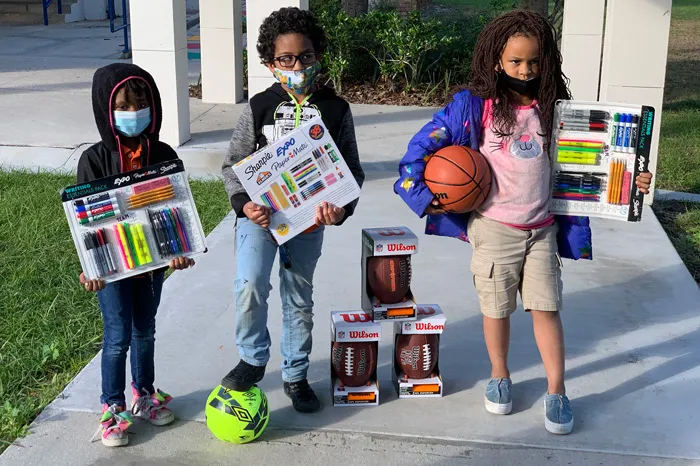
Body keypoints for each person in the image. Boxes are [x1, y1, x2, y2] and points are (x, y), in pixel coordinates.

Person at [394, 10, 653, 435]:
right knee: (497, 310)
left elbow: (603, 165)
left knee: (547, 309)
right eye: (515, 62)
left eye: (534, 61)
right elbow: (420, 150)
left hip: (543, 228)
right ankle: (500, 375)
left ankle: (557, 389)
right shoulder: (472, 108)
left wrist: (632, 180)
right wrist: (427, 199)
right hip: (493, 227)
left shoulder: (559, 110)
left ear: (545, 61)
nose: (525, 70)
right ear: (496, 60)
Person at [221, 7, 365, 413]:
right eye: (286, 59)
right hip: (260, 219)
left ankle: (296, 375)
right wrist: (243, 205)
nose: (297, 66)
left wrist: (341, 209)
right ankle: (252, 359)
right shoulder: (259, 106)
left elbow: (352, 171)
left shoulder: (336, 109)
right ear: (270, 63)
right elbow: (233, 163)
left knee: (298, 299)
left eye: (305, 56)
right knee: (249, 284)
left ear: (317, 56)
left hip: (307, 223)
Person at [78, 63, 194, 447]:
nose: (134, 111)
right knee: (117, 336)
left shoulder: (161, 152)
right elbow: (85, 224)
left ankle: (143, 394)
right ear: (105, 110)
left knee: (145, 330)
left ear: (153, 105)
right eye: (124, 105)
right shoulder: (93, 160)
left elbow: (176, 211)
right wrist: (91, 268)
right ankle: (112, 406)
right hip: (111, 267)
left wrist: (180, 250)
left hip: (153, 263)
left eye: (140, 102)